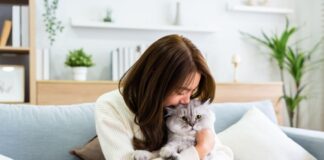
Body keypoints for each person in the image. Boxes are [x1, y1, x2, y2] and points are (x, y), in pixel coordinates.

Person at [95, 34, 233, 160]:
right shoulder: (110, 106)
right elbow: (205, 146)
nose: (186, 101)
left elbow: (224, 154)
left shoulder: (190, 108)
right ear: (155, 82)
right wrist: (199, 150)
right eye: (180, 91)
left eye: (192, 91)